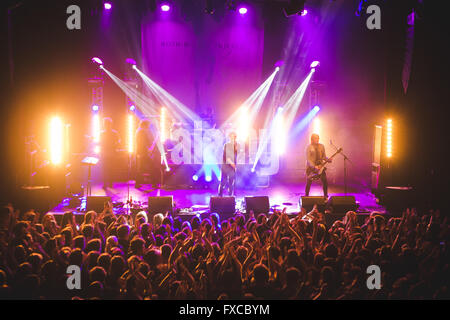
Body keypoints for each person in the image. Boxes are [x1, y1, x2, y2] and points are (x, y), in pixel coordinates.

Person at [135, 119, 160, 189]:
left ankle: (137, 184)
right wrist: (151, 146)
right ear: (145, 125)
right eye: (148, 125)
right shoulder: (142, 132)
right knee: (152, 167)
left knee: (140, 169)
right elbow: (145, 143)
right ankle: (154, 184)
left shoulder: (139, 131)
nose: (148, 127)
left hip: (140, 152)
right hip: (144, 153)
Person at [305, 133, 330, 199]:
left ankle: (325, 196)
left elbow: (324, 156)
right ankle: (306, 197)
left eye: (318, 138)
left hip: (320, 167)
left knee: (325, 181)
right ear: (312, 139)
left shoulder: (322, 146)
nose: (317, 140)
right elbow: (308, 159)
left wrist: (328, 159)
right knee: (309, 182)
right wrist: (314, 166)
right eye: (315, 138)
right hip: (311, 168)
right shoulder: (309, 147)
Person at [99, 118, 120, 189]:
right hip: (110, 154)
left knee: (106, 170)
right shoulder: (114, 133)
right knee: (110, 170)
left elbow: (100, 143)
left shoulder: (102, 133)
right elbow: (119, 142)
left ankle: (106, 184)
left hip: (106, 154)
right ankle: (110, 184)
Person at [218, 132, 239, 197]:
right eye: (231, 137)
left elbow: (236, 156)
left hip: (232, 166)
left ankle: (230, 196)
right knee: (223, 181)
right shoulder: (227, 145)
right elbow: (227, 157)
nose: (233, 138)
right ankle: (220, 196)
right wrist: (233, 164)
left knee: (231, 182)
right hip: (225, 166)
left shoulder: (236, 145)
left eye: (234, 137)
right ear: (229, 137)